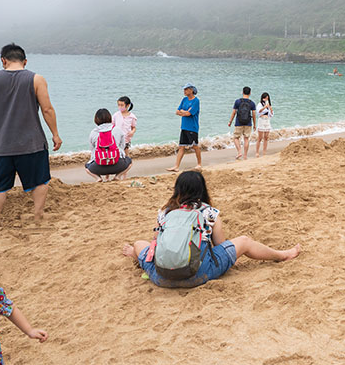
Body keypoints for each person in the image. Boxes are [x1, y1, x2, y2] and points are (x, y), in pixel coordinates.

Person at [121, 171, 300, 288]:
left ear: (177, 190)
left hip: (161, 277)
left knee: (139, 244)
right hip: (198, 274)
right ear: (202, 190)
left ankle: (134, 253)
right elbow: (219, 245)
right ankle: (283, 255)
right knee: (244, 241)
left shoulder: (165, 212)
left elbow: (156, 242)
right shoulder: (209, 212)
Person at [0, 44, 62, 227]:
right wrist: (55, 134)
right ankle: (38, 216)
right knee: (39, 181)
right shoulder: (37, 79)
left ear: (3, 61)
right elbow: (47, 109)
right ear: (25, 61)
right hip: (32, 144)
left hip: (1, 146)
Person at [85, 108, 133, 182]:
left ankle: (98, 178)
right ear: (109, 118)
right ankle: (117, 176)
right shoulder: (117, 129)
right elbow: (122, 146)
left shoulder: (93, 132)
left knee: (87, 167)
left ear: (96, 119)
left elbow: (92, 150)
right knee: (129, 162)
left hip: (98, 167)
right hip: (117, 164)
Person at [167, 84, 201, 172]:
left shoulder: (196, 101)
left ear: (191, 90)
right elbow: (177, 111)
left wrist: (184, 112)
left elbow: (189, 114)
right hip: (184, 126)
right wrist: (183, 111)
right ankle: (176, 166)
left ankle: (199, 164)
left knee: (195, 146)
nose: (184, 91)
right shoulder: (184, 99)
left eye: (186, 89)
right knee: (181, 147)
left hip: (192, 127)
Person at [229, 87, 257, 160]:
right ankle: (245, 155)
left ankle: (239, 152)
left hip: (239, 122)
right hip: (248, 123)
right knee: (246, 139)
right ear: (250, 93)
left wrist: (230, 121)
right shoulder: (252, 103)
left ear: (242, 92)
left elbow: (234, 112)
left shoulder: (238, 102)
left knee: (235, 138)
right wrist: (254, 124)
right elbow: (254, 115)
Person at [255, 92, 273, 158]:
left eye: (267, 98)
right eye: (265, 98)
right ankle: (257, 152)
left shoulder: (269, 105)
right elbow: (258, 111)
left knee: (266, 137)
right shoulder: (259, 104)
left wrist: (270, 109)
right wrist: (264, 107)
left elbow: (271, 114)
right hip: (261, 120)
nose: (266, 99)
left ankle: (264, 151)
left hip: (267, 120)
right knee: (260, 137)